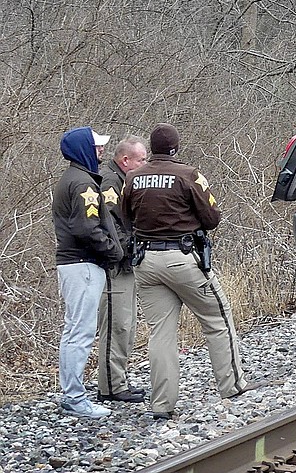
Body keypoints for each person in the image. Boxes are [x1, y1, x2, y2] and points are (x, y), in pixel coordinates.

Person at [121, 123, 249, 419]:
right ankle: (232, 385)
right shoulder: (189, 175)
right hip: (183, 257)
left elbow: (124, 217)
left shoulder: (133, 178)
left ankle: (162, 405)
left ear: (152, 149)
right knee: (217, 318)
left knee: (161, 332)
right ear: (176, 148)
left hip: (146, 262)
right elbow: (212, 217)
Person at [53, 127, 124, 419]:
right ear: (83, 149)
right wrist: (114, 251)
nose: (101, 151)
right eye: (96, 147)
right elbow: (87, 228)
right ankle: (75, 399)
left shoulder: (74, 178)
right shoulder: (83, 183)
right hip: (82, 265)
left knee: (75, 331)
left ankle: (72, 395)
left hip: (75, 264)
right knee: (79, 333)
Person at [96, 135, 149, 403]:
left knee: (126, 326)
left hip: (126, 264)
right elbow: (109, 223)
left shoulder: (126, 182)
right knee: (116, 325)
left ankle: (119, 379)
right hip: (114, 266)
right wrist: (126, 249)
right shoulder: (110, 182)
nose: (145, 163)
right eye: (141, 159)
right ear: (125, 160)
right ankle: (110, 386)